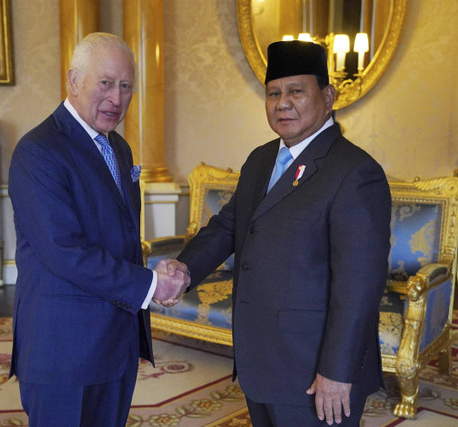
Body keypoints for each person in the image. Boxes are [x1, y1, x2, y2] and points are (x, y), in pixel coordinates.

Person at [162, 40, 391, 426]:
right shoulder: (261, 159)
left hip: (315, 370)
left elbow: (359, 286)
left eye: (296, 91)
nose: (282, 103)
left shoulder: (354, 172)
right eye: (273, 93)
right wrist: (185, 269)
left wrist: (337, 372)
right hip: (261, 360)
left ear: (329, 96)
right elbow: (229, 225)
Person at [8, 32, 186, 426]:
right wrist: (152, 285)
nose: (116, 98)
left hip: (115, 343)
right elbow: (63, 251)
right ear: (73, 81)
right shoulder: (38, 151)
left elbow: (119, 236)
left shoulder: (118, 148)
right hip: (63, 350)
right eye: (105, 83)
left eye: (125, 86)